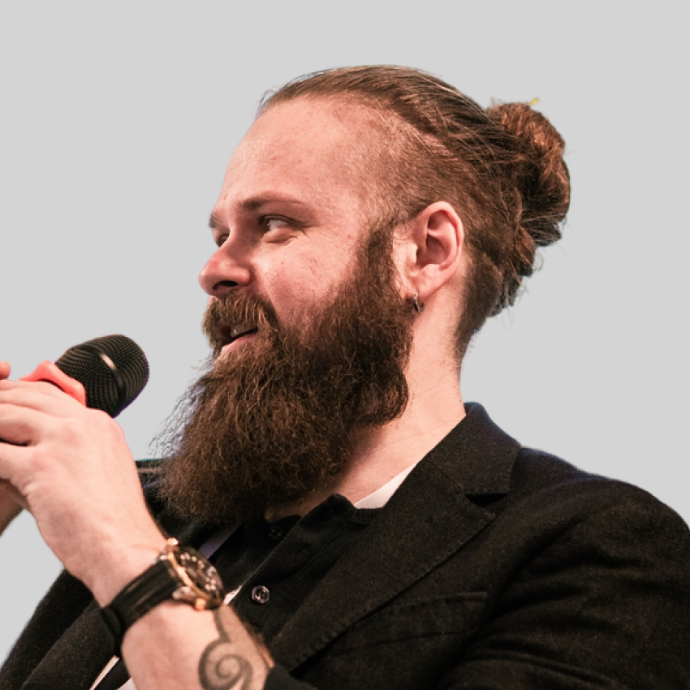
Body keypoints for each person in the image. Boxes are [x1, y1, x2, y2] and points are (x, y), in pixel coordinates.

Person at [1, 66, 689, 690]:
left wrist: (126, 555)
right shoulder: (156, 506)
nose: (214, 271)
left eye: (274, 224)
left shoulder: (593, 549)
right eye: (220, 236)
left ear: (426, 252)